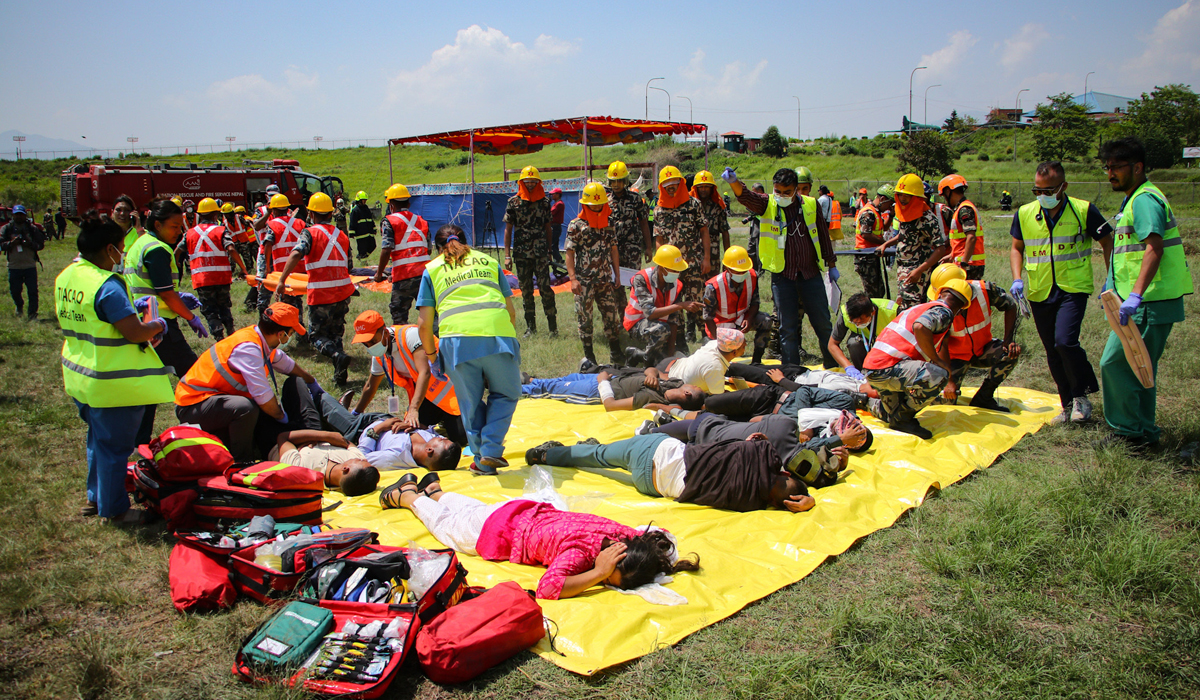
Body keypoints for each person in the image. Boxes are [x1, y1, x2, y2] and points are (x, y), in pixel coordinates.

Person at [381, 475, 699, 599]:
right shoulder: (581, 556)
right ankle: (409, 496)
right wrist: (597, 573)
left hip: (517, 510)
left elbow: (659, 536)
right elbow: (548, 588)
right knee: (446, 528)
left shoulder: (620, 534)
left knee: (472, 509)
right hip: (497, 532)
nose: (607, 582)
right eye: (612, 579)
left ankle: (437, 493)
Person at [56, 213, 174, 524]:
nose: (122, 252)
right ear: (110, 249)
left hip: (81, 376)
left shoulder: (69, 276)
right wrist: (157, 324)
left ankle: (96, 498)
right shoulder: (107, 285)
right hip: (113, 384)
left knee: (97, 441)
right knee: (115, 449)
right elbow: (134, 332)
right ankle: (116, 509)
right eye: (121, 246)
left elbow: (97, 318)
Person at [1097, 137, 1194, 448]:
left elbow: (1154, 248)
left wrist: (1135, 295)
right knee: (1141, 367)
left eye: (1117, 167)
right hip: (1141, 300)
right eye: (1107, 167)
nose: (1110, 173)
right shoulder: (1134, 199)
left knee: (1116, 364)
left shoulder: (1144, 200)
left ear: (1137, 167)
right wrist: (1112, 285)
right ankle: (1143, 433)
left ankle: (1128, 433)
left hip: (1148, 301)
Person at [1009, 161, 1113, 424]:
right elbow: (1016, 247)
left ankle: (1082, 396)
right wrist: (1017, 278)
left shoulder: (1083, 210)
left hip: (1073, 288)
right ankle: (1066, 405)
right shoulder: (1024, 213)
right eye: (1037, 190)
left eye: (1048, 190)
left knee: (1065, 342)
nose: (1042, 195)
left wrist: (1112, 279)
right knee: (1051, 350)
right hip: (1040, 289)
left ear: (1063, 187)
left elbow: (1107, 242)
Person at [419, 224, 521, 476]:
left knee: (470, 403)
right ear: (467, 242)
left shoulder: (431, 270)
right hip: (498, 335)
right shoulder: (488, 262)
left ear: (437, 248)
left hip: (456, 342)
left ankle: (483, 460)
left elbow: (424, 325)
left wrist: (433, 357)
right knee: (506, 394)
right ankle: (491, 449)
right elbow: (510, 312)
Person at [527, 432, 818, 512]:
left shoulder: (760, 454)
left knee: (600, 456)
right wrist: (799, 502)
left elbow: (759, 443)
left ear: (786, 475)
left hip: (654, 450)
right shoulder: (750, 503)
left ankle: (545, 454)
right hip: (651, 485)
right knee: (604, 457)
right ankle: (580, 451)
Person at [723, 166, 839, 367]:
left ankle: (833, 367)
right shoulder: (768, 204)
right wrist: (734, 182)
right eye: (778, 191)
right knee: (787, 327)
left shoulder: (811, 205)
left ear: (796, 190)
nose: (782, 196)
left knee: (823, 324)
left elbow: (822, 234)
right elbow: (747, 197)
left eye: (787, 192)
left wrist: (832, 264)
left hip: (810, 274)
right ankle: (791, 370)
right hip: (783, 276)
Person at [174, 303, 318, 461]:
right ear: (281, 334)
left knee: (255, 411)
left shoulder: (260, 340)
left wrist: (312, 383)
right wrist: (283, 419)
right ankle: (241, 461)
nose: (289, 338)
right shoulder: (249, 349)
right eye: (290, 333)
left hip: (215, 401)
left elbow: (286, 363)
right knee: (246, 408)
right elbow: (264, 398)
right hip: (193, 405)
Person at [862, 279, 971, 438]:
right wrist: (938, 361)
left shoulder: (921, 307)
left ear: (940, 293)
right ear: (961, 309)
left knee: (890, 414)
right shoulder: (944, 312)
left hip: (874, 368)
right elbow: (920, 326)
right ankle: (903, 420)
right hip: (887, 368)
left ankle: (860, 400)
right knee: (939, 375)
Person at [347, 310, 467, 447]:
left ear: (385, 332)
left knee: (460, 438)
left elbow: (424, 372)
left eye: (372, 341)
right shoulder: (379, 356)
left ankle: (474, 411)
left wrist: (414, 409)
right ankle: (441, 417)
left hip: (453, 389)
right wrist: (355, 414)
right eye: (365, 344)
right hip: (428, 397)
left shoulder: (410, 336)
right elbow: (370, 386)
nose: (370, 346)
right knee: (411, 430)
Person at [277, 193, 355, 384]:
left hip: (322, 294)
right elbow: (349, 264)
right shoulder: (342, 235)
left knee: (315, 336)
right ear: (330, 213)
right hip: (343, 292)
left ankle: (337, 356)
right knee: (336, 332)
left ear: (311, 213)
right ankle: (340, 372)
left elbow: (296, 253)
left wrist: (281, 280)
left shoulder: (309, 232)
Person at [124, 197, 205, 376]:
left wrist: (178, 295)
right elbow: (166, 294)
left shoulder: (141, 243)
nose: (179, 231)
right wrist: (190, 317)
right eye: (174, 227)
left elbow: (149, 285)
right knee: (194, 375)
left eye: (180, 226)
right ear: (158, 225)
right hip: (160, 322)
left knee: (151, 376)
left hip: (142, 318)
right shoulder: (157, 250)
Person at [926, 263, 1021, 412]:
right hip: (953, 359)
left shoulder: (985, 290)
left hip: (982, 350)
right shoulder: (937, 308)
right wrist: (950, 381)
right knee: (947, 403)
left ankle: (984, 397)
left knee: (1009, 353)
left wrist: (1009, 340)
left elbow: (1010, 305)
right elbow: (941, 345)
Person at [565, 182, 624, 367]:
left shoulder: (609, 222)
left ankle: (616, 353)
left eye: (600, 203)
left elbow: (614, 249)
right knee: (585, 318)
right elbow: (569, 253)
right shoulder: (576, 225)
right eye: (593, 204)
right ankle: (590, 357)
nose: (597, 206)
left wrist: (617, 274)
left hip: (605, 279)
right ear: (586, 204)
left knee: (612, 317)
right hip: (584, 282)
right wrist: (573, 279)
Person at [875, 173, 949, 311]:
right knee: (904, 305)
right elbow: (904, 235)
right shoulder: (906, 212)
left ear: (916, 197)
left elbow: (940, 249)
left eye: (907, 195)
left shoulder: (927, 219)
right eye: (900, 195)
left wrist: (919, 271)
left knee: (910, 310)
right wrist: (885, 244)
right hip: (903, 268)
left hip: (916, 270)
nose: (902, 199)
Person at [653, 166, 710, 345]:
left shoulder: (694, 205)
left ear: (681, 183)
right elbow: (659, 239)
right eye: (667, 184)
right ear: (662, 186)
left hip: (693, 262)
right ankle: (681, 339)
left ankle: (705, 335)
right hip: (672, 268)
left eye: (674, 183)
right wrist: (661, 265)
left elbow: (704, 231)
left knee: (697, 299)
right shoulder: (659, 210)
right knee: (675, 301)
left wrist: (707, 258)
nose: (671, 187)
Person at [181, 197, 248, 341]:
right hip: (222, 278)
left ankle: (218, 336)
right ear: (215, 215)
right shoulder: (221, 230)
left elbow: (177, 252)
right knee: (224, 306)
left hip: (202, 280)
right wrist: (243, 268)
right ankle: (231, 332)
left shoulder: (189, 233)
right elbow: (231, 248)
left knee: (209, 309)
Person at [503, 166, 557, 337]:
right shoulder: (513, 202)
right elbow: (508, 229)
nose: (531, 184)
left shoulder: (545, 203)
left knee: (545, 289)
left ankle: (552, 328)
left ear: (539, 182)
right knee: (526, 290)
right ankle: (530, 328)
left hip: (540, 253)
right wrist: (506, 255)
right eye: (527, 181)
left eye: (534, 181)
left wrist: (550, 251)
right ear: (521, 182)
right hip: (521, 254)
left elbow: (548, 228)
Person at [623, 244, 697, 367]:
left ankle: (638, 355)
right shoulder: (642, 278)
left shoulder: (676, 285)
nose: (677, 273)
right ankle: (647, 364)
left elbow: (673, 320)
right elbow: (650, 314)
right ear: (662, 268)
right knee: (661, 330)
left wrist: (670, 354)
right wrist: (681, 305)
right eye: (674, 270)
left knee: (665, 357)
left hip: (660, 324)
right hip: (636, 323)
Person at [521, 366, 706, 412]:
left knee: (553, 389)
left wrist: (602, 382)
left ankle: (515, 388)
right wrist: (651, 375)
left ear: (687, 393)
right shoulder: (674, 384)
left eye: (695, 386)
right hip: (613, 378)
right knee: (568, 379)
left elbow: (611, 405)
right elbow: (654, 369)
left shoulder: (651, 398)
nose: (693, 383)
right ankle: (531, 380)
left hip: (597, 390)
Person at [702, 245, 772, 364]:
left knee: (766, 320)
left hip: (742, 319)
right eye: (737, 271)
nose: (741, 273)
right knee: (710, 358)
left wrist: (749, 319)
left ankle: (756, 361)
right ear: (726, 268)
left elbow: (755, 302)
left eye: (744, 270)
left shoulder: (752, 277)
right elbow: (708, 317)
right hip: (721, 325)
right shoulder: (714, 286)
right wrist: (717, 341)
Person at [374, 184, 430, 325]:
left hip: (404, 276)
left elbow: (387, 249)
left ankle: (403, 343)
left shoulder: (389, 222)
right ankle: (434, 342)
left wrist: (379, 274)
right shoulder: (422, 221)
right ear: (409, 203)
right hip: (425, 275)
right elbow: (427, 249)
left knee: (399, 315)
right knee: (429, 314)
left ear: (391, 205)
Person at [267, 430, 380, 496]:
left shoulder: (301, 470)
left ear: (346, 469)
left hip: (281, 432)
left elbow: (284, 437)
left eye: (360, 461)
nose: (363, 459)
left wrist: (325, 436)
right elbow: (344, 441)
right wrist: (324, 436)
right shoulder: (354, 458)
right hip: (316, 429)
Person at [658, 327, 745, 396]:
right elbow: (719, 398)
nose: (746, 346)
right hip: (666, 377)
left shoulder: (716, 344)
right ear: (734, 352)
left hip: (671, 364)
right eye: (743, 346)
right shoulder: (715, 367)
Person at [605, 161, 653, 285]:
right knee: (615, 283)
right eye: (613, 181)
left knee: (635, 283)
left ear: (625, 181)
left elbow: (644, 223)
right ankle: (620, 305)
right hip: (613, 249)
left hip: (633, 248)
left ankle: (635, 305)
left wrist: (648, 247)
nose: (616, 185)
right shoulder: (606, 201)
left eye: (619, 181)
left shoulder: (635, 198)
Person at [828, 292, 899, 374]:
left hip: (890, 340)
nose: (858, 324)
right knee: (854, 343)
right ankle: (863, 372)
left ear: (872, 313)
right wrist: (848, 367)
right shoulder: (845, 313)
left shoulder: (892, 311)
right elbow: (832, 344)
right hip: (864, 338)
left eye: (861, 321)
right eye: (854, 322)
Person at [262, 193, 307, 320]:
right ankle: (298, 323)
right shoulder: (300, 222)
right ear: (287, 209)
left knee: (287, 300)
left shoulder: (272, 225)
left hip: (283, 270)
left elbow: (268, 244)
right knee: (296, 297)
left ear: (274, 210)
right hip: (301, 269)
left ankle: (294, 325)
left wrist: (267, 267)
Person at [0, 205, 45, 320]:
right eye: (17, 214)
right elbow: (1, 245)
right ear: (13, 215)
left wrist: (29, 243)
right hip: (14, 266)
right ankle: (19, 305)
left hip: (29, 265)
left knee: (32, 292)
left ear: (25, 215)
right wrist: (11, 243)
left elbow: (40, 245)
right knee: (15, 291)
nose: (19, 217)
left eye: (21, 214)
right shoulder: (7, 229)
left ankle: (32, 313)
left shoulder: (32, 229)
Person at [936, 175, 985, 280]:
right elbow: (961, 240)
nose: (945, 199)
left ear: (949, 191)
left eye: (944, 195)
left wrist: (964, 263)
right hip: (969, 263)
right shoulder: (961, 208)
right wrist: (952, 255)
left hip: (970, 265)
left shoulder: (964, 210)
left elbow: (971, 237)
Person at [853, 185, 894, 299]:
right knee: (873, 293)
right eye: (889, 203)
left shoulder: (876, 211)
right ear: (882, 199)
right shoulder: (868, 212)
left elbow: (883, 228)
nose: (889, 206)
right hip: (865, 257)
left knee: (880, 290)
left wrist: (891, 215)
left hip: (872, 255)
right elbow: (865, 234)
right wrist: (884, 242)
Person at [691, 171, 730, 283]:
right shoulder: (689, 206)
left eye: (707, 187)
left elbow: (725, 233)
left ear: (712, 188)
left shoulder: (718, 206)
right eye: (701, 187)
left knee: (711, 287)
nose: (703, 189)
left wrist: (727, 260)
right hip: (693, 255)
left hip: (713, 256)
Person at [742, 182, 766, 273]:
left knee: (757, 249)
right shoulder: (756, 202)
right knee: (751, 248)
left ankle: (759, 270)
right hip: (754, 225)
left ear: (760, 191)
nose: (753, 194)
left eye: (754, 192)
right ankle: (752, 268)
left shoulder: (764, 201)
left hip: (760, 226)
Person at [349, 190, 378, 261]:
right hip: (361, 235)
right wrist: (351, 233)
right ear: (359, 200)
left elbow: (371, 220)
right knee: (362, 249)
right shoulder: (355, 210)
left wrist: (374, 229)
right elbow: (352, 222)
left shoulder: (366, 209)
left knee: (373, 246)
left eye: (365, 200)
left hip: (369, 233)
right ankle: (363, 261)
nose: (365, 202)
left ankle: (362, 257)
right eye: (363, 200)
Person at [549, 186, 565, 264]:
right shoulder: (557, 203)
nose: (552, 196)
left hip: (555, 226)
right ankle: (557, 259)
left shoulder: (559, 204)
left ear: (558, 195)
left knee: (552, 244)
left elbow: (551, 213)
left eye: (554, 194)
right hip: (554, 226)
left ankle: (558, 259)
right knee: (554, 244)